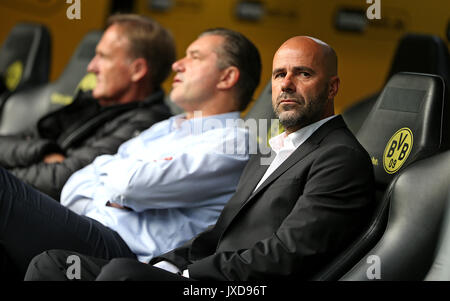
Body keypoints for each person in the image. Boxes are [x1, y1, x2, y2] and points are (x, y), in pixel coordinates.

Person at [24, 36, 376, 281]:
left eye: (303, 73)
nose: (286, 84)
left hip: (233, 284)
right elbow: (219, 232)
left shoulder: (340, 157)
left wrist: (191, 275)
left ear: (332, 88)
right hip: (205, 273)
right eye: (279, 74)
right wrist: (168, 263)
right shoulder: (271, 148)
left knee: (121, 275)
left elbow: (290, 252)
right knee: (52, 264)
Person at [0, 27, 262, 280]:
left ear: (227, 77)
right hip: (87, 224)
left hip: (124, 251)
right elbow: (76, 184)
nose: (177, 65)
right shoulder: (167, 126)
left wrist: (116, 178)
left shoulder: (235, 141)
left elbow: (129, 185)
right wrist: (118, 183)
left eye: (195, 57)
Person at [0, 14, 175, 200]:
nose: (91, 67)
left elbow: (60, 180)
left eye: (103, 57)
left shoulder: (149, 125)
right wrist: (45, 151)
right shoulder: (90, 102)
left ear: (137, 70)